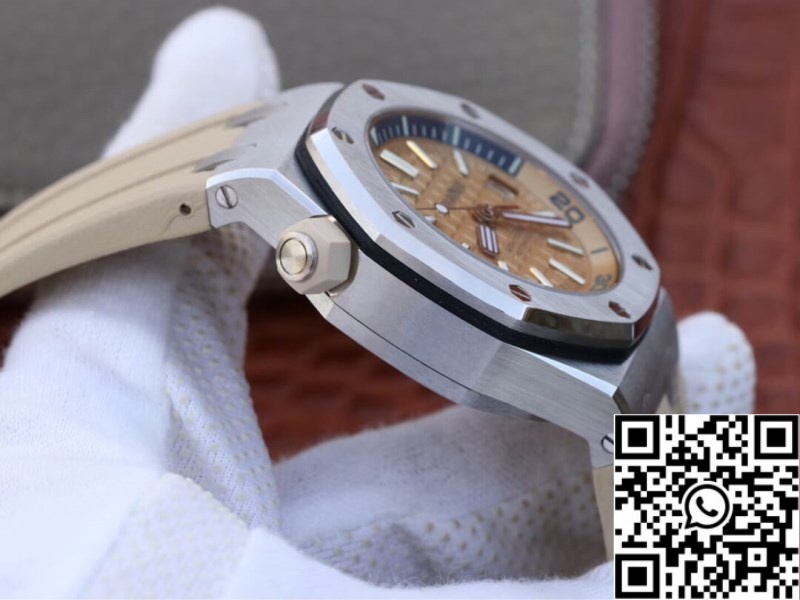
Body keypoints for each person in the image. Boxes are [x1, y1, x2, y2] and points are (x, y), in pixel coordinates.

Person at [0, 8, 755, 598]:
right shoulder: (283, 190)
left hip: (613, 322)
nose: (491, 211)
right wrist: (727, 568)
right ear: (311, 259)